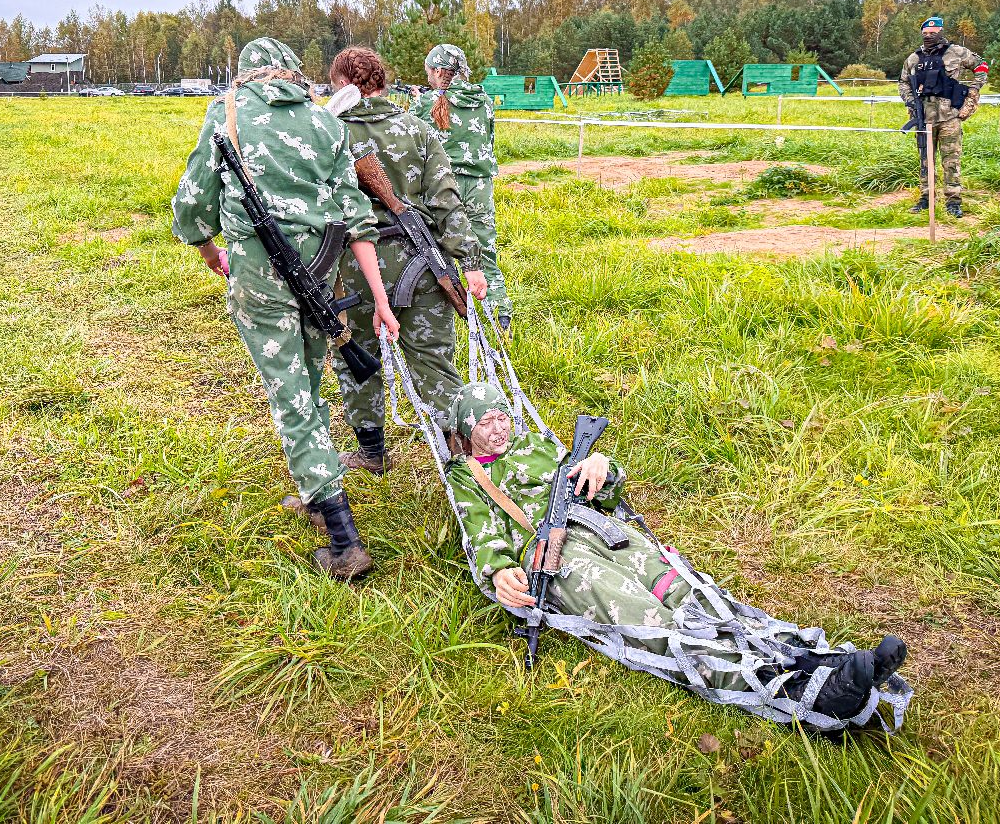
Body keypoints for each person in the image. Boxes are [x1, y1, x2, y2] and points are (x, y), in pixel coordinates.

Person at [442, 383, 908, 724]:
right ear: (468, 430)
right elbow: (480, 532)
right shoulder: (467, 476)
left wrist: (603, 466)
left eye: (503, 415)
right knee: (652, 623)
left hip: (604, 529)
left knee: (695, 599)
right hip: (556, 556)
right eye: (486, 422)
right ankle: (796, 693)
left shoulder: (538, 444)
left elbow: (598, 489)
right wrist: (500, 571)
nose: (500, 427)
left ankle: (810, 658)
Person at [172, 37, 400, 580]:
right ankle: (314, 485)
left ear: (247, 73)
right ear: (295, 74)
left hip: (261, 277)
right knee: (310, 379)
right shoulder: (325, 123)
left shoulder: (226, 113)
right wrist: (379, 294)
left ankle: (342, 535)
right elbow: (354, 210)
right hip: (321, 271)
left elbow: (193, 201)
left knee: (289, 391)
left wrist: (207, 250)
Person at [307, 46, 487, 480]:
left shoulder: (325, 134)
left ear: (337, 85)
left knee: (355, 359)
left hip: (350, 270)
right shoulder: (418, 129)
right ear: (384, 82)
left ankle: (372, 452)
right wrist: (471, 262)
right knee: (434, 361)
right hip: (421, 266)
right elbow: (446, 199)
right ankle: (465, 457)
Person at [410, 45, 512, 331]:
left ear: (437, 71)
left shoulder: (425, 103)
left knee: (438, 247)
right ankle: (501, 315)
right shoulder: (484, 100)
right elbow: (488, 141)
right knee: (485, 248)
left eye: (429, 71)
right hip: (479, 185)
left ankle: (449, 313)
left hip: (443, 187)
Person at [899, 17, 989, 219]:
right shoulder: (914, 58)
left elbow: (981, 67)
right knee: (925, 160)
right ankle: (926, 198)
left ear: (940, 32)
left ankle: (953, 201)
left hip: (949, 117)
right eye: (925, 33)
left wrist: (973, 92)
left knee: (951, 161)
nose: (929, 36)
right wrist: (911, 101)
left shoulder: (956, 52)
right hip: (923, 117)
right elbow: (903, 82)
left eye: (933, 32)